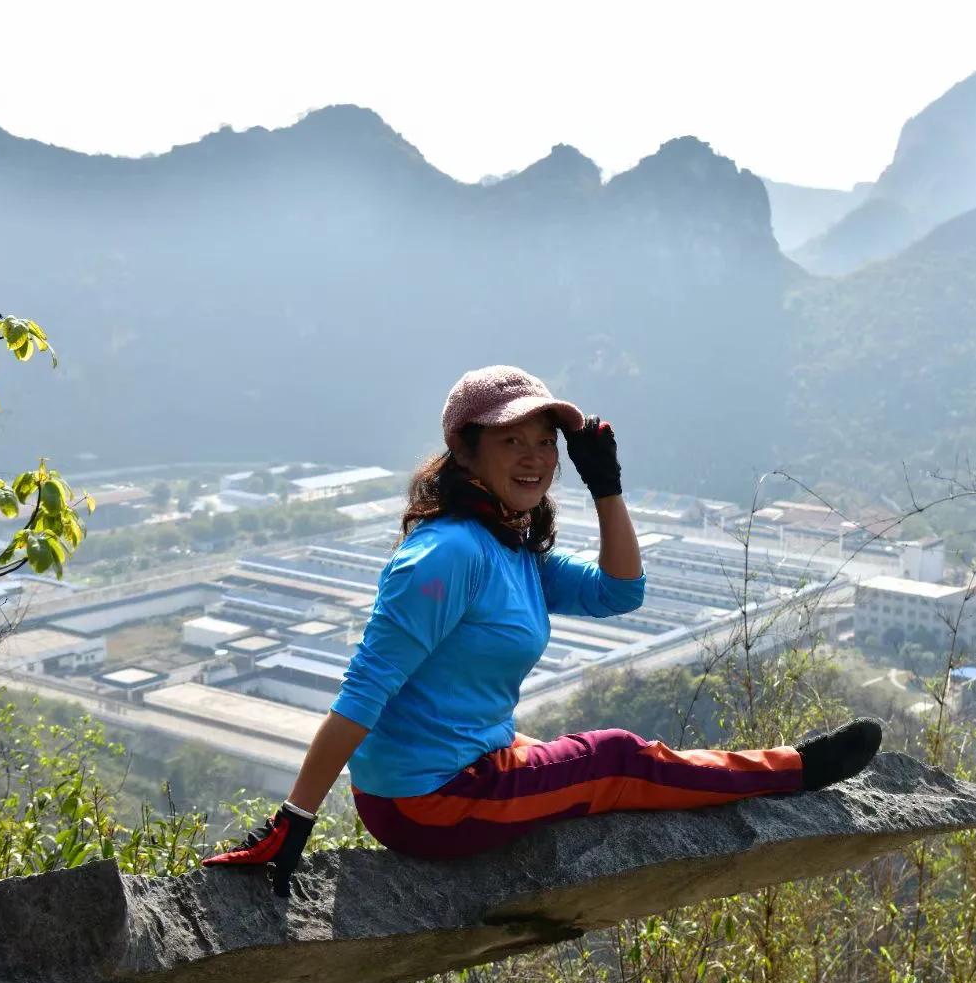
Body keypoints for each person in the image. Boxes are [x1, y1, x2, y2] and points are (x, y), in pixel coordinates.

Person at [203, 365, 882, 895]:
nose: (533, 458)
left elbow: (620, 594)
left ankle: (768, 769)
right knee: (615, 758)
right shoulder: (447, 556)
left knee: (587, 754)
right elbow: (363, 693)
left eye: (545, 444)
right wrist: (296, 818)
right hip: (425, 799)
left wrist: (605, 486)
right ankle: (795, 771)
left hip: (457, 768)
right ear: (465, 452)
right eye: (510, 441)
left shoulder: (510, 548)